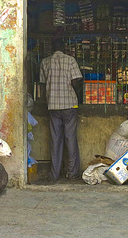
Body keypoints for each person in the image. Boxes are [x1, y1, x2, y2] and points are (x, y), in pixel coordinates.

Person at [39, 38, 83, 182]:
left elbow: (43, 83)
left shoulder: (45, 62)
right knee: (70, 138)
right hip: (69, 104)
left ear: (51, 47)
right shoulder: (70, 60)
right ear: (63, 47)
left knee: (55, 140)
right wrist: (76, 94)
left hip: (52, 105)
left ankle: (54, 174)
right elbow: (75, 81)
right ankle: (72, 173)